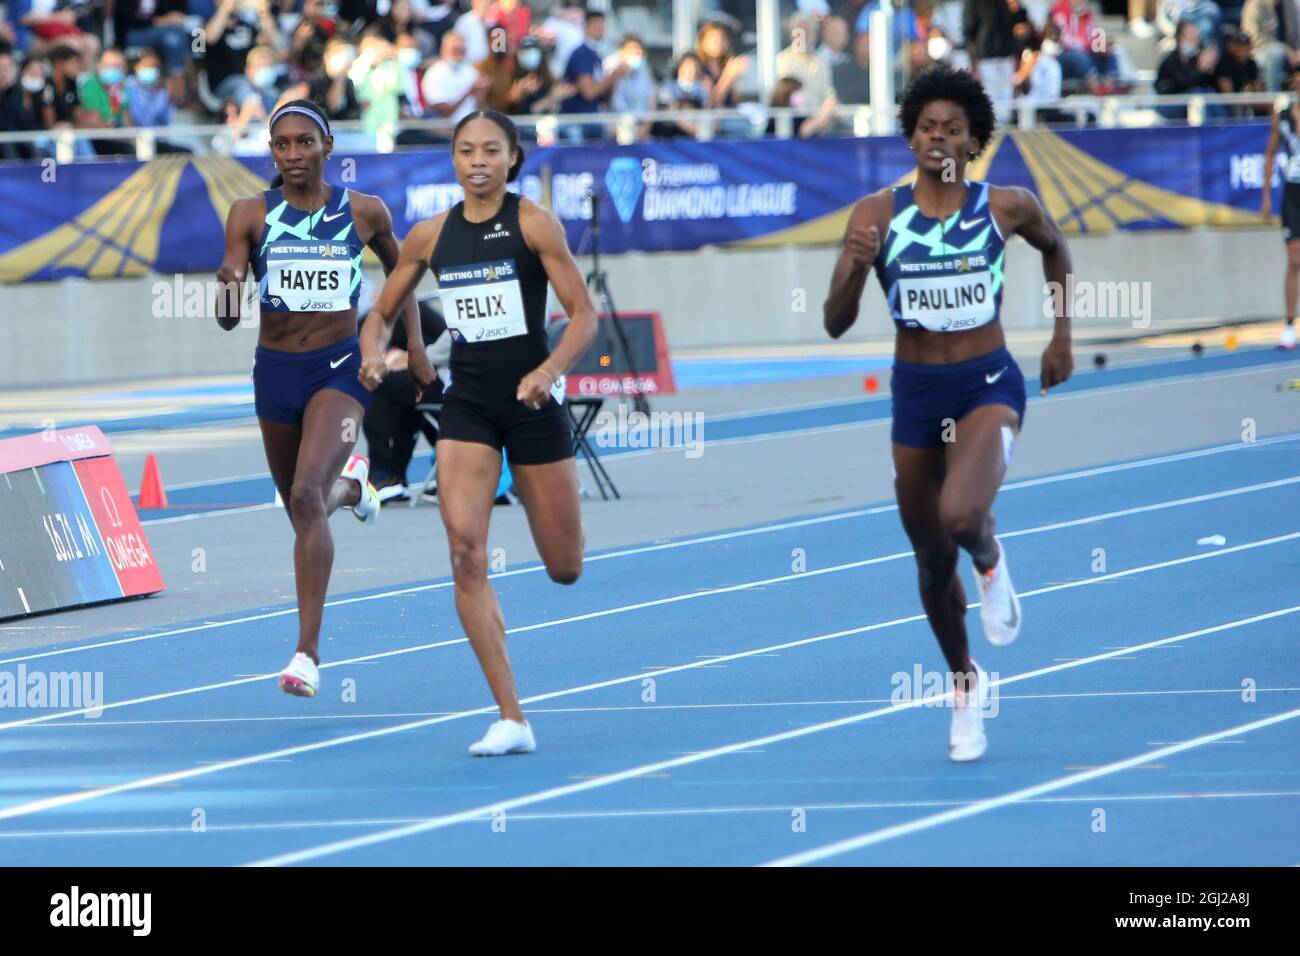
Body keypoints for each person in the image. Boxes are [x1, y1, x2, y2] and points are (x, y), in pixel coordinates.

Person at [822, 65, 1074, 762]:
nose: (940, 138)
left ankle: (991, 561)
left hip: (987, 382)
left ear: (973, 142)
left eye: (954, 130)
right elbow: (835, 324)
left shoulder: (1007, 204)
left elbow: (1057, 248)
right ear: (910, 137)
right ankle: (965, 688)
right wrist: (851, 267)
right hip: (916, 394)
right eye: (928, 127)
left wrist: (1062, 336)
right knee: (932, 558)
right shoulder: (876, 214)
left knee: (964, 520)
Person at [357, 110, 597, 756]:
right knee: (465, 552)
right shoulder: (431, 236)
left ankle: (527, 593)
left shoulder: (534, 224)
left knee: (565, 567)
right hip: (469, 407)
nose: (478, 160)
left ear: (513, 158)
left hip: (533, 401)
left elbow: (583, 317)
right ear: (454, 161)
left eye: (491, 149)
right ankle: (511, 715)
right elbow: (379, 312)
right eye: (465, 150)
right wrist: (374, 351)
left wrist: (549, 369)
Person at [213, 98, 433, 697]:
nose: (292, 155)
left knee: (306, 497)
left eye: (303, 143)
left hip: (339, 371)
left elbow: (404, 274)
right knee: (301, 505)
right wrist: (229, 289)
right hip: (275, 373)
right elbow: (229, 322)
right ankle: (355, 487)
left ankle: (307, 654)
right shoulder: (249, 214)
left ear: (327, 148)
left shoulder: (363, 212)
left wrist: (412, 346)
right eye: (281, 145)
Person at [1261, 78, 1300, 349]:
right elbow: (1270, 153)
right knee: (1295, 258)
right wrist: (1265, 196)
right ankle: (1289, 325)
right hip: (1293, 189)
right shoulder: (1284, 115)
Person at [558, 8, 628, 142]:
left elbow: (604, 98)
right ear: (586, 27)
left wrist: (615, 79)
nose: (600, 30)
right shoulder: (582, 54)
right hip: (577, 124)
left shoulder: (596, 56)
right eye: (596, 26)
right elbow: (588, 93)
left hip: (592, 122)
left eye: (602, 26)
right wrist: (613, 77)